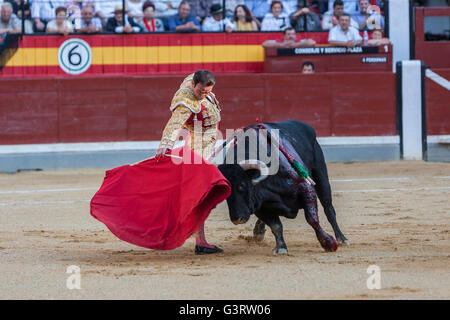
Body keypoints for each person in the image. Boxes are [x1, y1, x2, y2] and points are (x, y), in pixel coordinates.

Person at [155, 70, 223, 255]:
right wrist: (165, 145)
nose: (204, 95)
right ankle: (199, 241)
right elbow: (174, 123)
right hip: (199, 144)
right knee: (199, 193)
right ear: (193, 85)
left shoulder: (197, 80)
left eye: (208, 92)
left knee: (197, 191)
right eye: (201, 92)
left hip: (205, 139)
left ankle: (195, 237)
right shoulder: (185, 100)